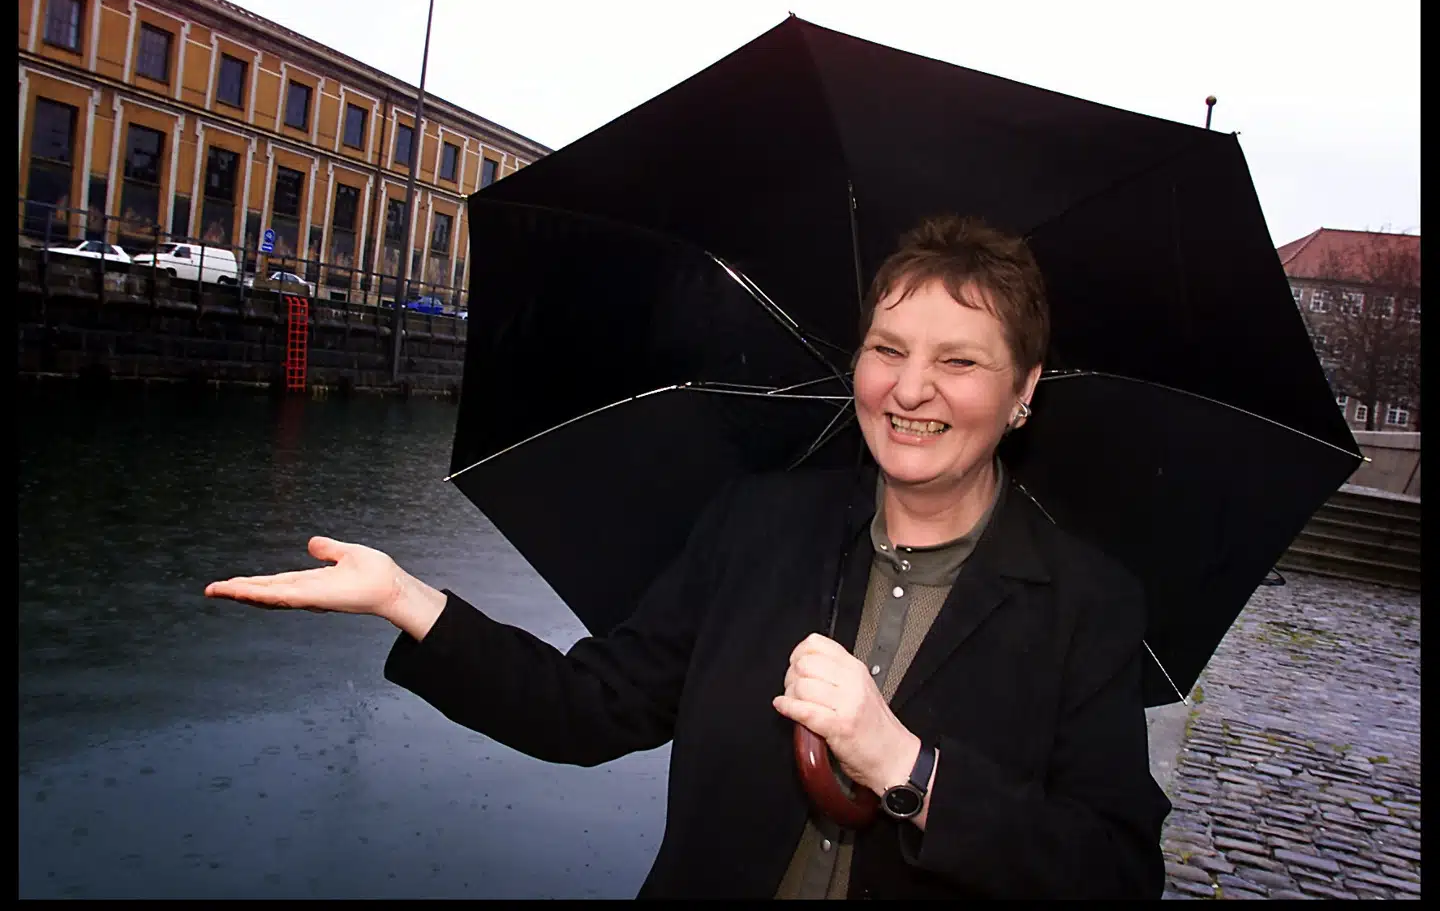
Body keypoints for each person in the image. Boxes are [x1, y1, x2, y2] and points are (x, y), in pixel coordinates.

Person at [205, 214, 1171, 899]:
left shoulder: (1086, 603)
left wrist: (908, 769)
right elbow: (588, 708)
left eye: (958, 360)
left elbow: (1114, 872)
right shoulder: (760, 526)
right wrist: (412, 601)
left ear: (1023, 390)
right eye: (888, 348)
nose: (909, 388)